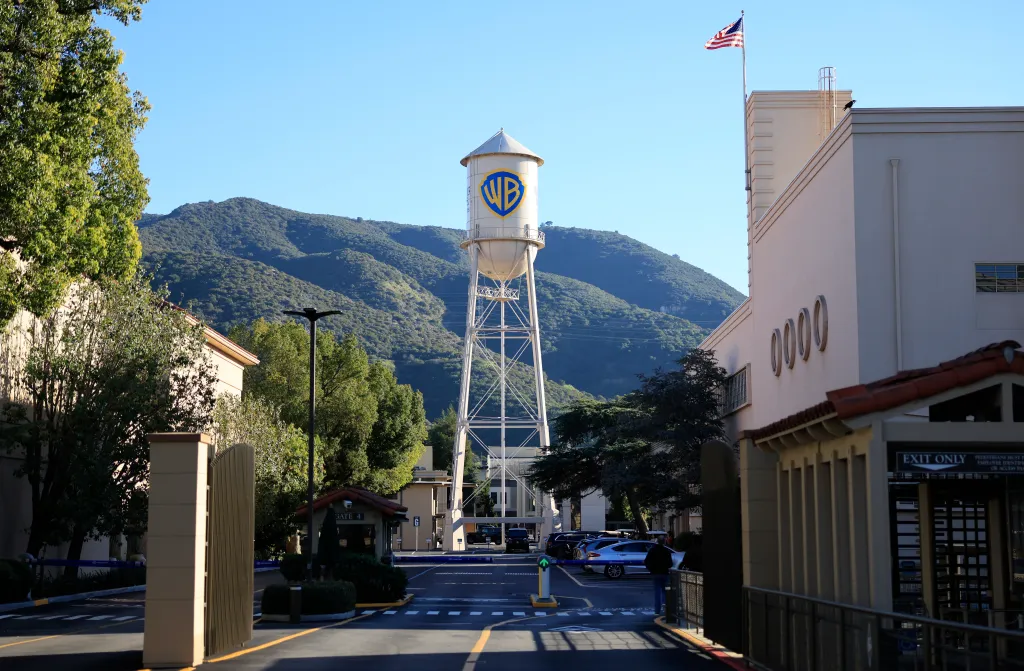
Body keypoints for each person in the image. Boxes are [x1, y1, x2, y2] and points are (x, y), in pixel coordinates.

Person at [644, 536, 674, 615]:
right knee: (665, 591)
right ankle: (666, 608)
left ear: (657, 541)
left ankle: (657, 610)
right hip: (664, 573)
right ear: (664, 542)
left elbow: (646, 561)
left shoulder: (652, 550)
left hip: (655, 573)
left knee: (657, 592)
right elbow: (670, 563)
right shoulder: (666, 551)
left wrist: (651, 569)